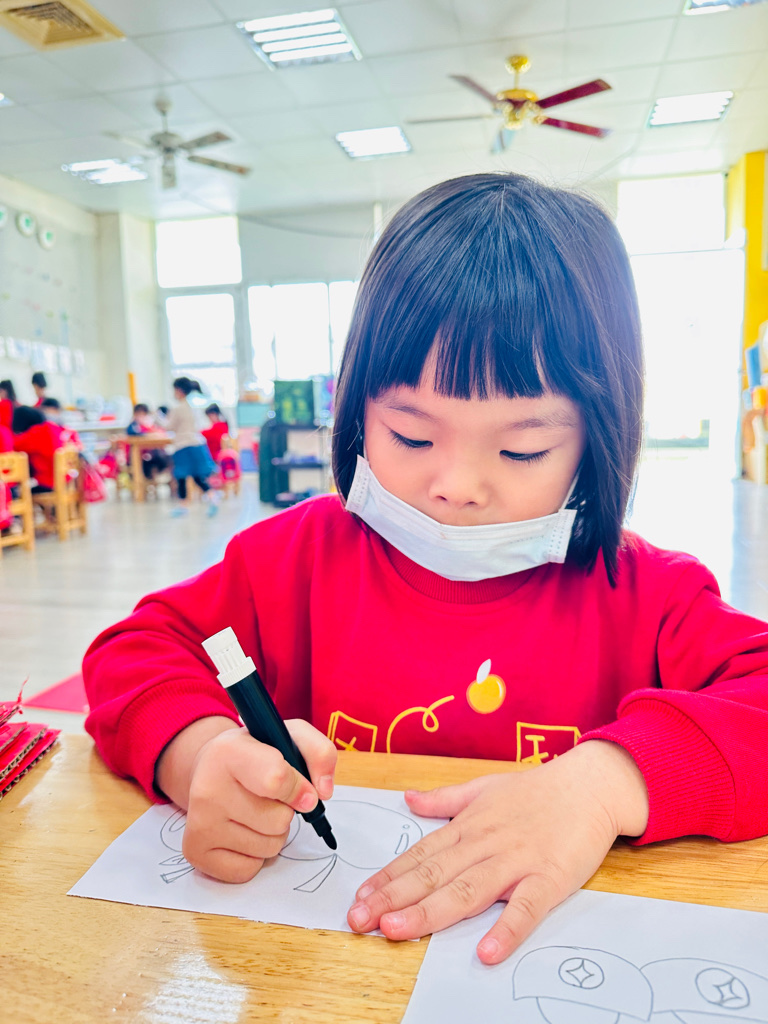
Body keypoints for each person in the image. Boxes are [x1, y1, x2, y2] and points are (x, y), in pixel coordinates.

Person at [82, 173, 768, 965]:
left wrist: (608, 784)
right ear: (359, 411)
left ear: (599, 436)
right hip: (331, 964)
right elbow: (135, 649)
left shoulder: (647, 593)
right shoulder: (294, 559)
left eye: (523, 450)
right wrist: (198, 752)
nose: (457, 486)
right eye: (410, 436)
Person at [167, 378, 218, 517]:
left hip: (183, 446)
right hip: (197, 445)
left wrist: (157, 418)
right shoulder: (194, 408)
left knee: (181, 477)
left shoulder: (178, 408)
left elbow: (169, 427)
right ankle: (213, 497)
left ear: (179, 390)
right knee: (197, 476)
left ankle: (183, 505)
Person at [12, 405, 64, 492]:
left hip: (48, 483)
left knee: (15, 492)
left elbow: (14, 445)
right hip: (62, 480)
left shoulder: (36, 433)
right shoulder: (52, 427)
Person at [126, 403, 170, 481]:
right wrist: (148, 434)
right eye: (139, 413)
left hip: (151, 455)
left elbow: (161, 431)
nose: (142, 416)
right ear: (135, 414)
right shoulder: (133, 426)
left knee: (164, 456)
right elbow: (133, 433)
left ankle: (162, 476)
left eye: (144, 414)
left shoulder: (148, 425)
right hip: (138, 457)